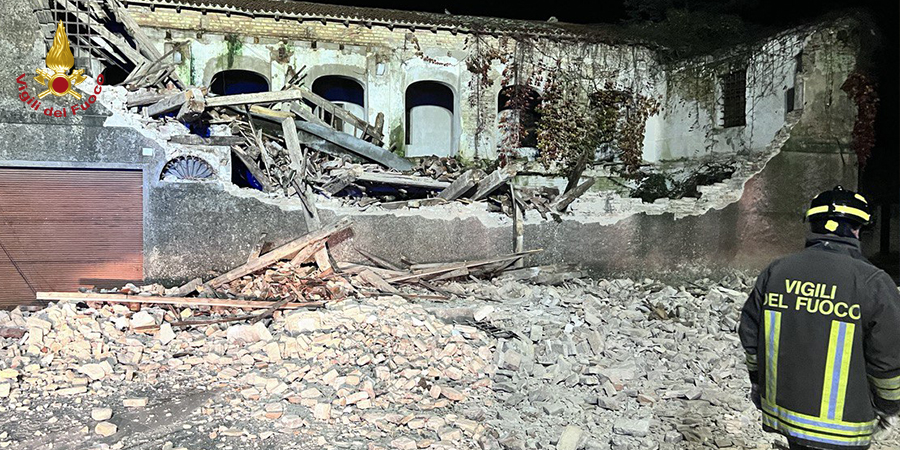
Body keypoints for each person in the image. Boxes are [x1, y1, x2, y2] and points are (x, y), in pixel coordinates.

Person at [739, 186, 900, 450]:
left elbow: (750, 336)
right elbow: (888, 357)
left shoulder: (777, 271)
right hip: (843, 428)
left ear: (813, 225)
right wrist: (888, 405)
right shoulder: (872, 281)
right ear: (858, 229)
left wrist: (759, 384)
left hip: (786, 415)